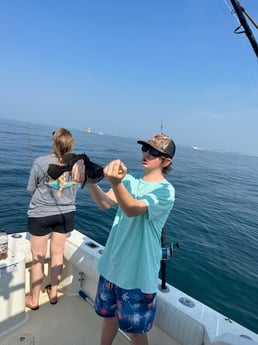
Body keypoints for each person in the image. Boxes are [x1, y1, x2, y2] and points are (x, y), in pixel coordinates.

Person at [72, 133, 176, 345]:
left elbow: (131, 209)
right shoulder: (130, 179)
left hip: (137, 277)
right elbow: (104, 203)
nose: (146, 153)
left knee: (136, 333)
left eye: (154, 152)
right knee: (109, 318)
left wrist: (116, 182)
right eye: (145, 148)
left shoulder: (166, 191)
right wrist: (90, 180)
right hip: (112, 267)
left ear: (166, 161)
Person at [25, 128, 82, 310]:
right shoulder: (78, 165)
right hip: (66, 215)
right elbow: (78, 186)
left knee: (38, 259)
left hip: (41, 215)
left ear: (54, 142)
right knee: (57, 255)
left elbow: (31, 189)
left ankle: (34, 300)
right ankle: (53, 294)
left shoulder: (40, 162)